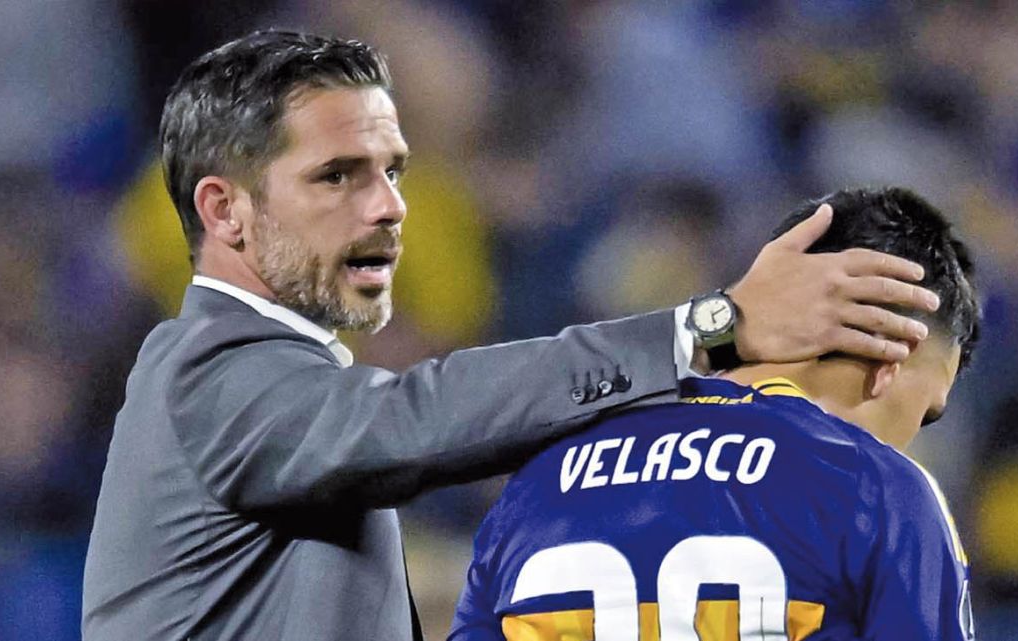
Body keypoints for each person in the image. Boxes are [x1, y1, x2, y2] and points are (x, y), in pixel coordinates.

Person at [81, 30, 940, 641]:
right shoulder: (202, 377)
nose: (387, 206)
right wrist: (709, 325)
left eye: (391, 172)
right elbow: (416, 416)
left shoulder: (287, 397)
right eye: (336, 176)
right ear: (224, 209)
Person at [450, 187, 981, 641]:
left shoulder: (537, 482)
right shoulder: (877, 490)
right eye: (926, 413)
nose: (909, 439)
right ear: (886, 361)